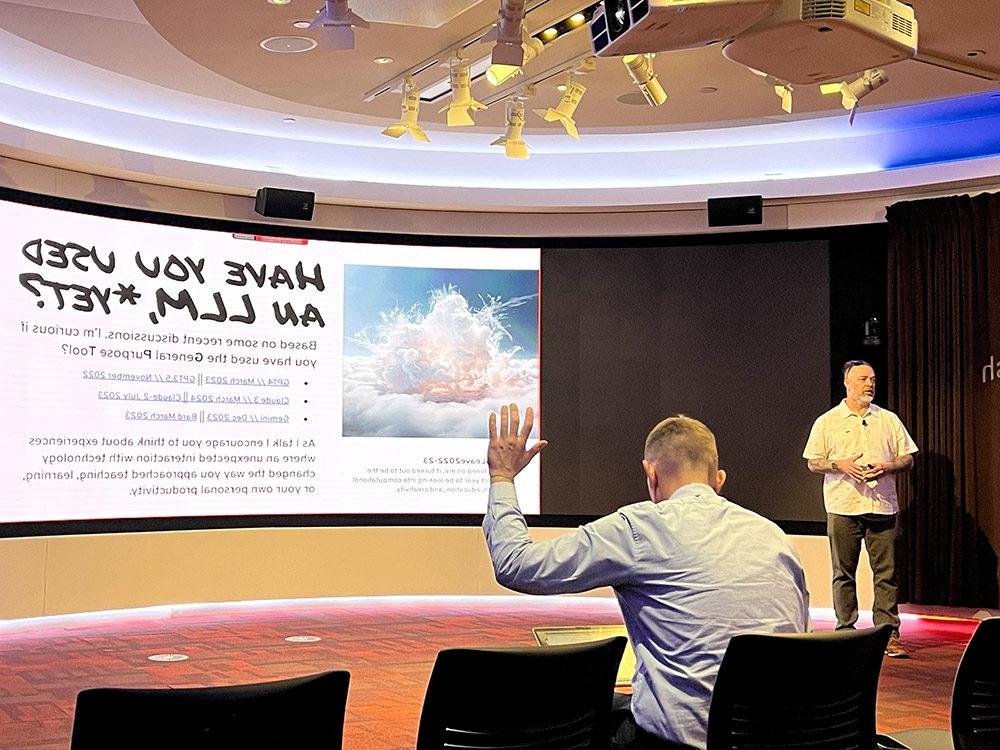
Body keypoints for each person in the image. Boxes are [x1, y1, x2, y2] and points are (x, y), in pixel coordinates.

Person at [483, 404, 809, 750]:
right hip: (783, 738)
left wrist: (502, 478)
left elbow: (516, 564)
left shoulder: (640, 529)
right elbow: (799, 634)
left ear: (650, 475)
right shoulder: (774, 536)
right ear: (718, 480)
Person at [803, 360, 917, 658]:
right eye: (864, 378)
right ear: (847, 383)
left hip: (881, 506)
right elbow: (813, 462)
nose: (870, 384)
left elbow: (907, 459)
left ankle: (889, 635)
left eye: (873, 379)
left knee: (886, 574)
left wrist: (887, 466)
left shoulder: (888, 420)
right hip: (843, 505)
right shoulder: (827, 421)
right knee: (843, 573)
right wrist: (838, 465)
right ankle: (845, 632)